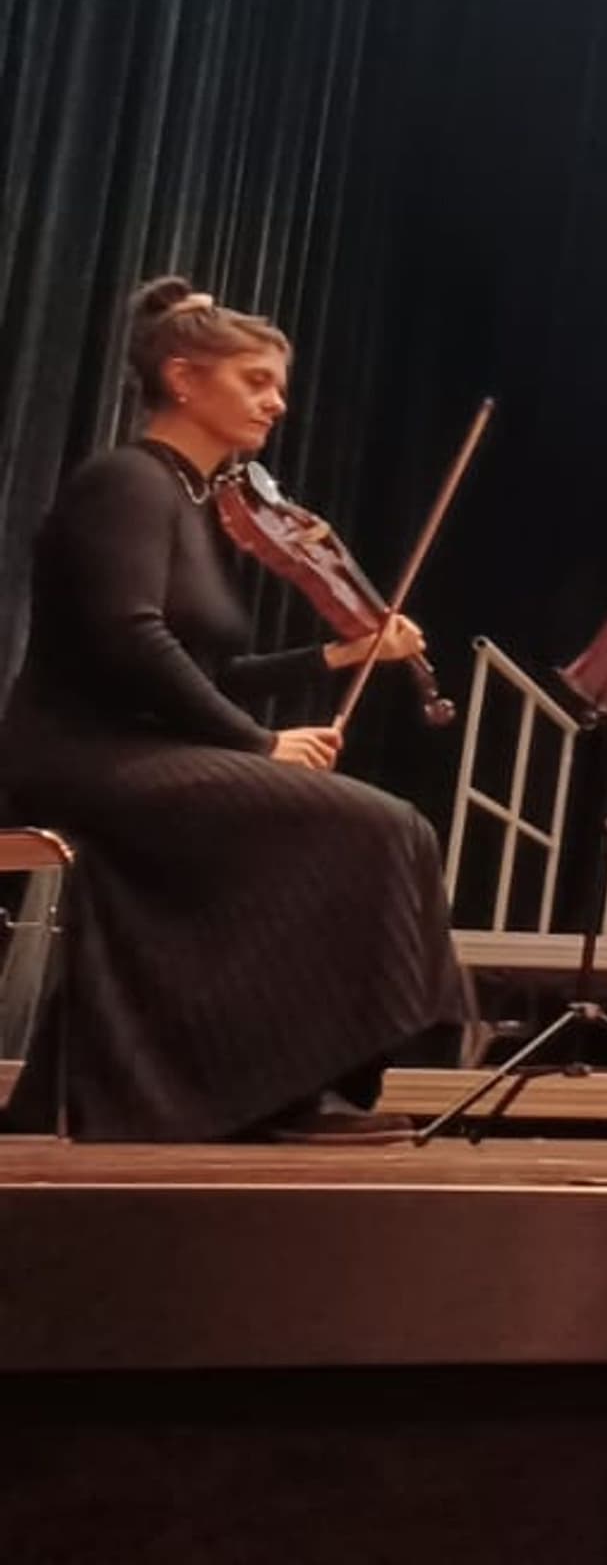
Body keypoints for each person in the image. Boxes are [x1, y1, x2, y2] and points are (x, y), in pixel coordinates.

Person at [0, 281, 459, 1144]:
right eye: (256, 381)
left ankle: (244, 1085)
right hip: (83, 755)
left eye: (276, 385)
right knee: (374, 829)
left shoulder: (193, 503)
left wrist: (338, 656)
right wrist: (256, 745)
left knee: (360, 824)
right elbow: (129, 640)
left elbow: (211, 667)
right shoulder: (125, 483)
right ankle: (271, 1090)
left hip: (144, 752)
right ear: (183, 378)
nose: (277, 403)